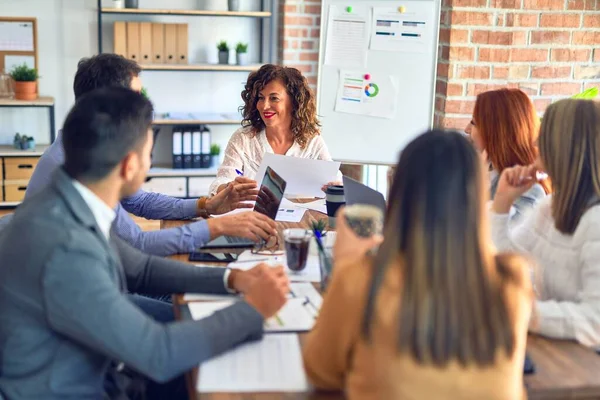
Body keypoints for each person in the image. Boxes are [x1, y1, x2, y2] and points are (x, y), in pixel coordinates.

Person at [0, 87, 290, 400]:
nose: (150, 161)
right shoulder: (66, 247)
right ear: (128, 166)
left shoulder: (70, 198)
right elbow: (158, 353)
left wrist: (232, 279)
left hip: (86, 362)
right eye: (149, 153)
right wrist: (254, 309)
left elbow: (140, 267)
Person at [303, 130, 532, 400]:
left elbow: (321, 372)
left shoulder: (361, 280)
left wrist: (345, 264)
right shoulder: (512, 281)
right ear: (477, 199)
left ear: (400, 194)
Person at [26, 54, 276, 257]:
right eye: (137, 96)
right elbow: (137, 244)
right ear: (109, 102)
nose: (143, 104)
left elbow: (138, 201)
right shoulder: (74, 170)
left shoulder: (81, 149)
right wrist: (217, 226)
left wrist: (205, 206)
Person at [490, 98, 600, 348]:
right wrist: (502, 203)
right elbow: (509, 265)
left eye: (543, 137)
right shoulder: (550, 205)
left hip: (584, 369)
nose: (535, 144)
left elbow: (595, 321)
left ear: (562, 147)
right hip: (554, 349)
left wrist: (520, 310)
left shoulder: (596, 222)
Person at [208, 64, 341, 196]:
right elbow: (220, 182)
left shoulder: (312, 141)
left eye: (274, 98)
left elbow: (335, 178)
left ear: (294, 102)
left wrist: (335, 185)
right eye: (261, 98)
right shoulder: (244, 138)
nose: (265, 106)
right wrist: (229, 187)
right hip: (250, 215)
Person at [465, 88, 551, 221]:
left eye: (473, 122)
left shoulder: (528, 191)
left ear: (496, 131)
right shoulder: (485, 168)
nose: (466, 129)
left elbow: (496, 239)